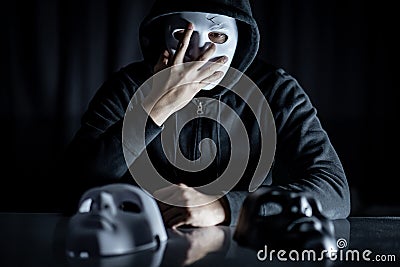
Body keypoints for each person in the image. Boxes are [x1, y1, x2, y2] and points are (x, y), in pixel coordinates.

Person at [61, 0, 351, 228]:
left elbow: (333, 191)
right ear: (162, 36)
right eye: (182, 35)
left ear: (241, 40)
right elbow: (73, 186)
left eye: (216, 34)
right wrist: (157, 107)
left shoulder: (275, 91)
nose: (199, 51)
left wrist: (224, 207)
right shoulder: (128, 87)